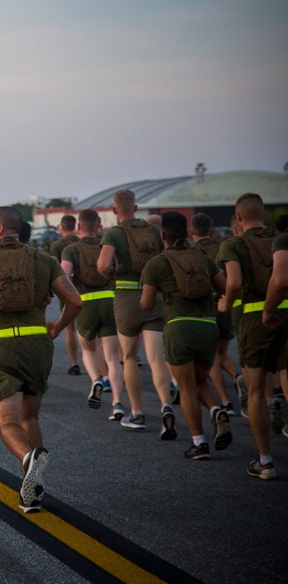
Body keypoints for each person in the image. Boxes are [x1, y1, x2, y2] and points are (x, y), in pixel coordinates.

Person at [0, 207, 82, 513]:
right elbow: (75, 300)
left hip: (0, 345)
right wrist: (57, 328)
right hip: (37, 343)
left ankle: (27, 459)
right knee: (29, 417)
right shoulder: (43, 258)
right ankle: (30, 488)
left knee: (8, 422)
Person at [139, 212, 231, 460]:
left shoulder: (157, 263)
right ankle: (215, 409)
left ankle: (199, 443)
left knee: (187, 387)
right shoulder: (201, 257)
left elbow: (146, 305)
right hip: (208, 326)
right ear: (187, 231)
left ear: (162, 235)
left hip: (179, 326)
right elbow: (225, 287)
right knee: (201, 381)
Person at [218, 193, 286, 479]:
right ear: (265, 214)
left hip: (254, 318)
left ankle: (265, 461)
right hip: (286, 313)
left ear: (239, 216)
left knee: (256, 391)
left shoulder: (234, 243)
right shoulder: (280, 238)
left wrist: (227, 303)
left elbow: (233, 282)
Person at [96, 190, 174, 437]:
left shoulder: (114, 233)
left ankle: (138, 412)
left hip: (127, 297)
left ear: (114, 210)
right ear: (136, 207)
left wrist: (114, 277)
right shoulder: (152, 231)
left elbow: (103, 265)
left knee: (129, 357)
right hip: (154, 296)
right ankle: (166, 407)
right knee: (156, 358)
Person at [61, 209, 124, 416]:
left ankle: (96, 379)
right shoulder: (106, 247)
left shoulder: (71, 249)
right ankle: (117, 403)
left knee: (88, 350)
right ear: (98, 227)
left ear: (79, 227)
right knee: (113, 357)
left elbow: (65, 276)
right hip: (108, 301)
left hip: (85, 303)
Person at [190, 213, 241, 414]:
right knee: (223, 352)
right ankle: (237, 377)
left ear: (192, 231)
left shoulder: (192, 251)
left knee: (211, 358)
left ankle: (225, 401)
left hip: (206, 307)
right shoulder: (224, 245)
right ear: (211, 228)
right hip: (226, 301)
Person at [262, 215, 288, 440]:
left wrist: (268, 309)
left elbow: (280, 281)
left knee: (281, 361)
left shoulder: (282, 242)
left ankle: (264, 458)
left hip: (279, 312)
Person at [49, 215, 83, 376]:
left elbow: (55, 269)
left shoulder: (57, 245)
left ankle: (74, 363)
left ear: (62, 227)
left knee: (70, 328)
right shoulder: (81, 242)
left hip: (68, 290)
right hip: (87, 289)